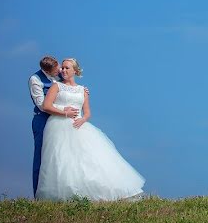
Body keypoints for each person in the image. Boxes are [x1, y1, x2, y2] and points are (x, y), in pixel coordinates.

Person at [35, 58, 145, 201]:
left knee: (89, 158)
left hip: (79, 125)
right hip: (59, 125)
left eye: (67, 68)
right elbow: (46, 106)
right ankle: (64, 194)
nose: (63, 70)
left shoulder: (83, 90)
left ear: (75, 70)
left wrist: (83, 119)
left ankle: (99, 191)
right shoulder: (56, 86)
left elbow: (87, 112)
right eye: (63, 68)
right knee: (62, 159)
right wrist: (64, 112)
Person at [29, 56, 79, 197]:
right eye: (56, 69)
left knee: (61, 155)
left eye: (60, 67)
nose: (60, 71)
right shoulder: (35, 80)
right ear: (46, 70)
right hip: (43, 119)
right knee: (41, 156)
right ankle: (39, 195)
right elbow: (42, 104)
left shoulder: (57, 76)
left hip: (59, 121)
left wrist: (81, 92)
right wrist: (64, 109)